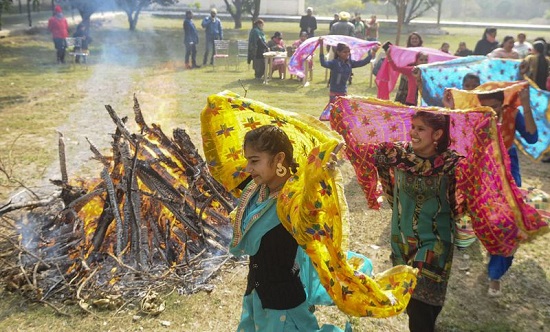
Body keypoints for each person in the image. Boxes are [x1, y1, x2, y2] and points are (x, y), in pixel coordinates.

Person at [232, 125, 348, 331]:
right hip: (257, 299)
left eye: (254, 161)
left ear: (278, 159)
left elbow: (312, 210)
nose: (248, 168)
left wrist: (321, 178)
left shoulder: (296, 199)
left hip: (284, 309)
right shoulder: (258, 192)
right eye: (248, 160)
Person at [373, 111, 465, 332]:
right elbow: (367, 155)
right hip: (402, 241)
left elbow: (460, 203)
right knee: (419, 304)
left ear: (438, 134)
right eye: (412, 126)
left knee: (420, 305)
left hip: (435, 243)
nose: (413, 132)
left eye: (420, 128)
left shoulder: (451, 165)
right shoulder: (397, 154)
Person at [477, 89, 538, 297]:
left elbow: (532, 137)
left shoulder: (512, 115)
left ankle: (495, 275)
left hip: (509, 178)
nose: (489, 112)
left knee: (509, 225)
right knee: (490, 223)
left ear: (502, 105)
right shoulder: (475, 116)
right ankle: (493, 250)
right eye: (484, 107)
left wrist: (526, 106)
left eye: (493, 107)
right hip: (483, 178)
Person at [318, 38, 378, 120]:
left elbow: (363, 62)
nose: (347, 54)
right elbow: (323, 63)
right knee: (335, 114)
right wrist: (321, 46)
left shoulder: (350, 63)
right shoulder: (334, 63)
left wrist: (373, 52)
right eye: (344, 52)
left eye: (348, 52)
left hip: (343, 92)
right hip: (334, 93)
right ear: (338, 53)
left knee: (343, 114)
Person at [394, 33, 424, 104]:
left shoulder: (423, 51)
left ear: (419, 40)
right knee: (403, 91)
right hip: (406, 73)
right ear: (409, 40)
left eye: (416, 38)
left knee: (414, 91)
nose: (414, 40)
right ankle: (400, 105)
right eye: (412, 39)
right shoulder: (406, 50)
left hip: (417, 74)